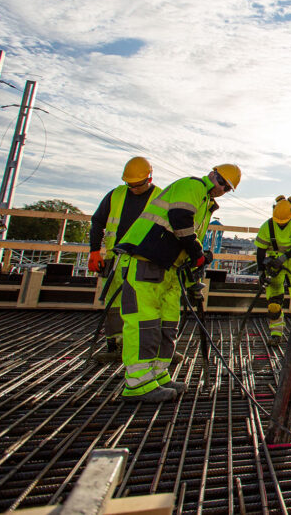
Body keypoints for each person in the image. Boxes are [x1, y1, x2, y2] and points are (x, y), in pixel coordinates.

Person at [112, 164, 241, 403]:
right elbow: (180, 220)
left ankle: (158, 376)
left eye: (226, 187)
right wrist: (197, 252)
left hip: (169, 269)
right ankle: (138, 384)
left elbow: (189, 237)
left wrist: (196, 260)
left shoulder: (205, 204)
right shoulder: (192, 186)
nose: (221, 187)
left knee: (167, 323)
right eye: (221, 181)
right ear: (212, 173)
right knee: (145, 323)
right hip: (146, 260)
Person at [88, 157, 162, 364]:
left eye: (138, 185)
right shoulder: (116, 195)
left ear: (149, 178)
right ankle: (116, 343)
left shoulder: (160, 197)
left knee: (144, 305)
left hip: (144, 260)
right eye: (130, 184)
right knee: (114, 304)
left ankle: (142, 347)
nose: (134, 189)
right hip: (115, 258)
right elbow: (97, 221)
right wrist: (94, 251)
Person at [254, 195, 291, 346]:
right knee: (274, 303)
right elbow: (260, 250)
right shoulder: (268, 226)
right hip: (273, 264)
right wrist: (261, 271)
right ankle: (276, 334)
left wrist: (284, 258)